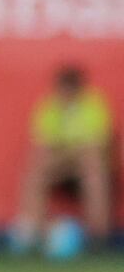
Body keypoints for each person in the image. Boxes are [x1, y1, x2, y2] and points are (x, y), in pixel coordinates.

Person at [21, 61, 112, 256]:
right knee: (35, 174)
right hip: (63, 166)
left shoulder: (93, 105)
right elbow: (42, 148)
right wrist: (65, 156)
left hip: (86, 167)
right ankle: (34, 236)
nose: (65, 94)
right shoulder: (50, 106)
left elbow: (95, 148)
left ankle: (97, 237)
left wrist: (66, 153)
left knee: (94, 173)